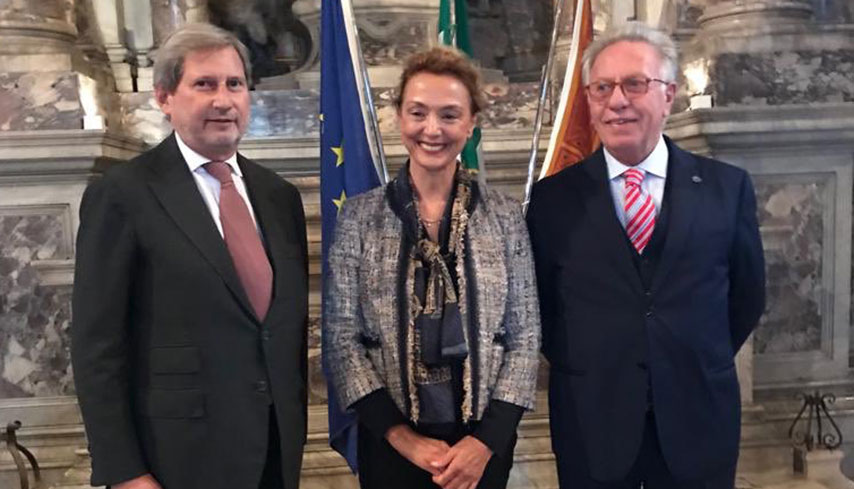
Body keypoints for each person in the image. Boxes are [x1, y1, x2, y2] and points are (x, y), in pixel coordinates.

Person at [526, 22, 765, 489]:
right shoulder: (553, 200)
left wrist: (685, 355)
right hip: (593, 421)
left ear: (669, 94)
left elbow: (746, 298)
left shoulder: (726, 188)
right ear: (590, 101)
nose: (618, 101)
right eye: (602, 88)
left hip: (699, 417)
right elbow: (543, 312)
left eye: (635, 84)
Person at [70, 23, 308, 489]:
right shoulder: (122, 195)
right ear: (164, 98)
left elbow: (281, 331)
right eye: (205, 84)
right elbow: (97, 348)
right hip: (176, 461)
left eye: (234, 84)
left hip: (274, 454)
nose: (223, 100)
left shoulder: (279, 196)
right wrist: (125, 472)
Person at [323, 46, 540, 489]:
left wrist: (486, 442)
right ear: (399, 117)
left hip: (482, 446)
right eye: (418, 112)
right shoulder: (360, 217)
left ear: (472, 122)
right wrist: (403, 439)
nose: (432, 129)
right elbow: (341, 338)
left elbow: (525, 335)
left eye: (449, 114)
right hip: (390, 444)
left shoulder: (505, 215)